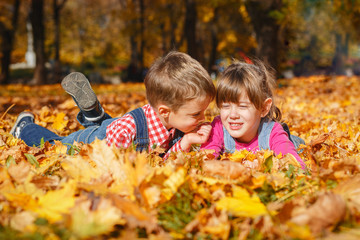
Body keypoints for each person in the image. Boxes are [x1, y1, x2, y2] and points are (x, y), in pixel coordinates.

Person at [10, 51, 216, 159]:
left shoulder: (175, 121)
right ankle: (25, 127)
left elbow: (164, 158)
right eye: (197, 114)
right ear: (164, 111)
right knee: (55, 145)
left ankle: (94, 114)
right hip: (96, 141)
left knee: (109, 124)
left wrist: (186, 142)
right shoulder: (126, 130)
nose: (202, 118)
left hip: (116, 128)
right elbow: (109, 162)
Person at [200, 60, 306, 169]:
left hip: (285, 141)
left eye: (242, 106)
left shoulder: (272, 132)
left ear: (263, 108)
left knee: (294, 144)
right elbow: (204, 160)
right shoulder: (218, 127)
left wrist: (263, 166)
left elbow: (296, 166)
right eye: (226, 106)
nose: (233, 115)